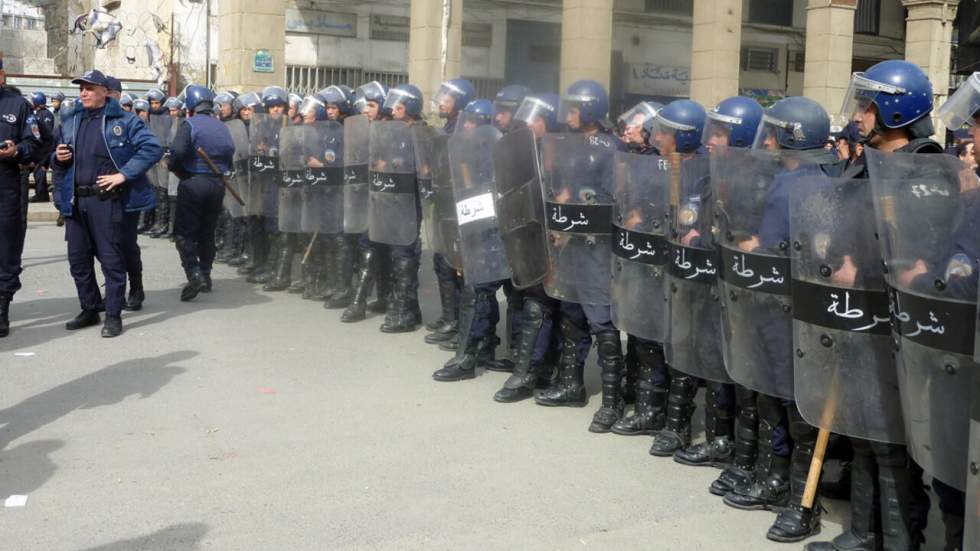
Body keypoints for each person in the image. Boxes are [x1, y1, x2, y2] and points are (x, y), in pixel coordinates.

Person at [534, 80, 627, 434]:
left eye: (574, 109)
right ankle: (572, 385)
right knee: (571, 311)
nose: (568, 115)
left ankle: (613, 402)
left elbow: (614, 194)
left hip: (597, 246)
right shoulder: (569, 144)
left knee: (600, 318)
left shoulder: (612, 148)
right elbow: (566, 185)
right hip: (570, 243)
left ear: (589, 110)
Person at [52, 69, 162, 337]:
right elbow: (56, 160)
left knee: (112, 259)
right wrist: (59, 157)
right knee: (78, 259)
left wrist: (123, 174)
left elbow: (152, 148)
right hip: (77, 200)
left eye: (89, 88)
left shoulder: (123, 120)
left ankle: (113, 315)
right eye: (81, 88)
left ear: (104, 91)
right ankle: (90, 308)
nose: (84, 93)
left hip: (105, 200)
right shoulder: (72, 120)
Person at [491, 92, 564, 402]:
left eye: (531, 121)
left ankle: (533, 371)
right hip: (531, 235)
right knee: (535, 300)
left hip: (562, 242)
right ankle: (533, 368)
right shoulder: (526, 150)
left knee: (550, 307)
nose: (525, 127)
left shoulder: (563, 153)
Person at [166, 85, 235, 301]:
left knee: (183, 233)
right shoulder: (222, 127)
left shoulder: (189, 124)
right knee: (207, 233)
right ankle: (206, 275)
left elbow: (176, 152)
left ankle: (194, 273)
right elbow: (230, 153)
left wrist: (177, 170)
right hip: (217, 185)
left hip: (194, 182)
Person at [424, 78, 475, 348]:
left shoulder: (464, 131)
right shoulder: (447, 128)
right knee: (442, 261)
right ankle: (450, 317)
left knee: (458, 267)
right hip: (444, 204)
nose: (441, 102)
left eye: (447, 97)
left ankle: (461, 324)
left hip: (458, 208)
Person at [342, 81, 393, 323]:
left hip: (390, 200)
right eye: (364, 105)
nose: (365, 109)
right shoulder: (361, 130)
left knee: (377, 248)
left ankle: (359, 302)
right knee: (371, 246)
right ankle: (380, 297)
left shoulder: (394, 130)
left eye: (371, 105)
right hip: (365, 197)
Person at [0, 55, 39, 338]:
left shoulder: (18, 105)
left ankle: (2, 308)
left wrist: (18, 151)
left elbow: (36, 141)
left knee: (6, 249)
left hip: (6, 186)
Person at [27, 92, 55, 203]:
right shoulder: (38, 113)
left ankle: (42, 195)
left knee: (39, 172)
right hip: (39, 149)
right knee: (37, 172)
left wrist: (44, 153)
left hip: (44, 149)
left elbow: (47, 135)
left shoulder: (45, 114)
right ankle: (40, 193)